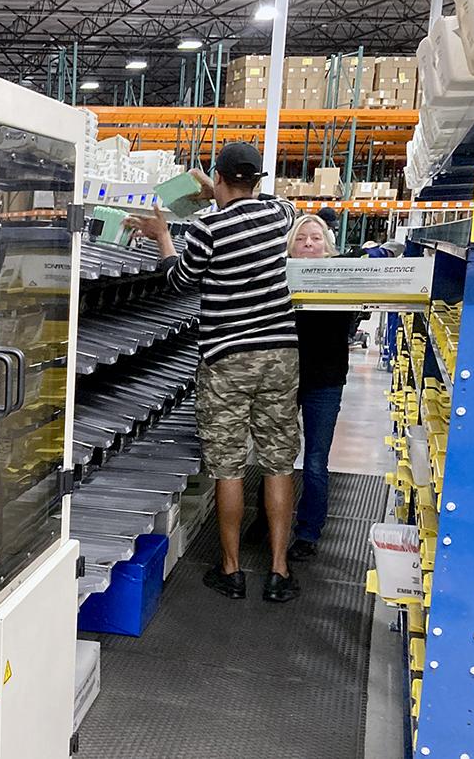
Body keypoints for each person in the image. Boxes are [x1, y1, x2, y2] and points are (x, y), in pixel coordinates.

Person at [130, 142, 301, 603]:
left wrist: (165, 236)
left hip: (227, 357)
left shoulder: (206, 227)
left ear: (219, 179)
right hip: (280, 353)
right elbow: (272, 203)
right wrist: (220, 190)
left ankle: (231, 570)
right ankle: (279, 572)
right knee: (279, 462)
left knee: (227, 466)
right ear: (258, 181)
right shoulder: (280, 215)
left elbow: (180, 281)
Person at [285, 215, 355, 562]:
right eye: (301, 239)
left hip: (325, 381)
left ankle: (308, 531)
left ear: (328, 246)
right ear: (291, 247)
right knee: (277, 457)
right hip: (283, 378)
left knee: (314, 460)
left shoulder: (343, 279)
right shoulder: (281, 280)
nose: (309, 244)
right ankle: (268, 521)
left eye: (315, 238)